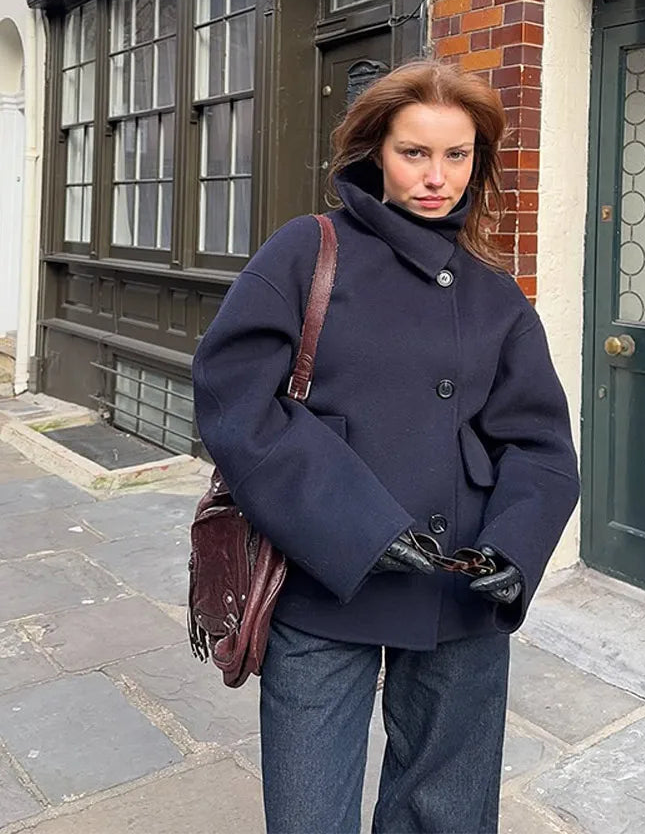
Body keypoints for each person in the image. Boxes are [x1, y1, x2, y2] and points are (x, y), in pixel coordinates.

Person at [192, 60, 580, 834]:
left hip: (458, 593)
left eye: (457, 155)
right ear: (376, 151)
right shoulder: (307, 250)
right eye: (414, 153)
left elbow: (539, 442)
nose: (437, 177)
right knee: (308, 814)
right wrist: (361, 527)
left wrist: (515, 546)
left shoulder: (494, 291)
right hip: (321, 582)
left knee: (447, 815)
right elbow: (234, 397)